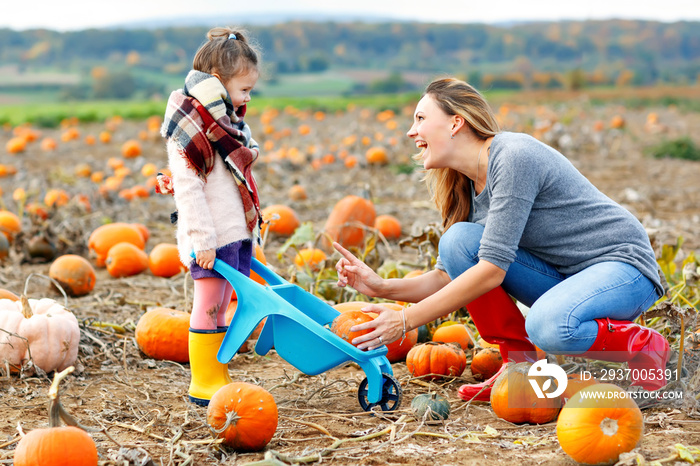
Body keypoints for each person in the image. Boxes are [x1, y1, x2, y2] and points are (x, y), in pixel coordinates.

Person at [334, 77, 670, 402]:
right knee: (458, 241)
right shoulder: (464, 184)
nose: (411, 131)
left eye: (420, 118)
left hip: (622, 269)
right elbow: (448, 276)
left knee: (548, 327)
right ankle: (519, 366)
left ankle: (643, 345)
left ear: (455, 123)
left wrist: (406, 320)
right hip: (565, 277)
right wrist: (382, 288)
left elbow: (492, 271)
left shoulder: (512, 157)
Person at [159, 26, 262, 406]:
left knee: (220, 307)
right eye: (245, 89)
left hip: (231, 234)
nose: (248, 98)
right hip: (210, 239)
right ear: (218, 82)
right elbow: (189, 191)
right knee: (208, 304)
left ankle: (217, 372)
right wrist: (201, 241)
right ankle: (203, 380)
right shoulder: (188, 128)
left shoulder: (225, 124)